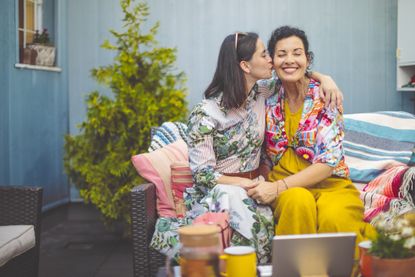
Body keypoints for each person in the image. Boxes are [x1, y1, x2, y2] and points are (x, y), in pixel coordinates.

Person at [150, 31, 343, 263]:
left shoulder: (261, 93)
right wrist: (246, 184)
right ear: (245, 65)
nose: (271, 59)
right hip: (224, 188)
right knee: (234, 198)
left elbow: (293, 70)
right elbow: (203, 174)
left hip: (256, 187)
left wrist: (326, 79)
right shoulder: (206, 113)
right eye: (264, 55)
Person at [247, 26, 375, 257]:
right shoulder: (267, 92)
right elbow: (238, 79)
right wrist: (322, 75)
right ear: (272, 62)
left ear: (307, 58)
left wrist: (324, 79)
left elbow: (328, 162)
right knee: (297, 203)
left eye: (297, 53)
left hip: (331, 185)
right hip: (286, 182)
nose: (289, 60)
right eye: (281, 54)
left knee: (336, 219)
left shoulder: (326, 96)